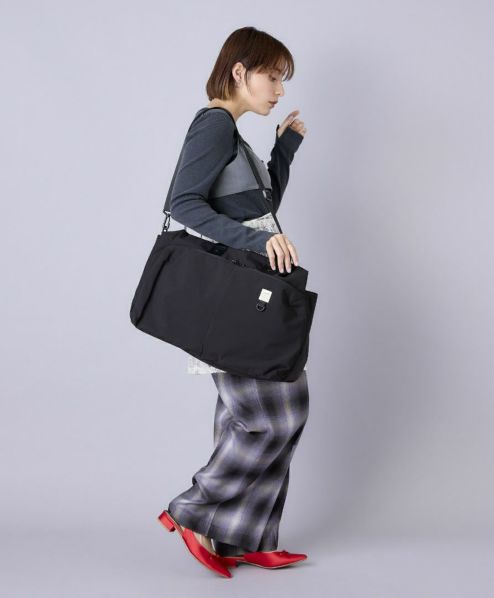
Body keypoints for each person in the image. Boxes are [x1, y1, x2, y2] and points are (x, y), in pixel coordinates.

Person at [157, 26, 310, 577]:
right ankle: (192, 511)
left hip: (257, 288)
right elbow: (183, 203)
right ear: (240, 71)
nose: (280, 90)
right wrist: (256, 242)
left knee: (244, 416)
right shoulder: (214, 125)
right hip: (241, 293)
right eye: (273, 76)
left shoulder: (234, 135)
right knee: (276, 414)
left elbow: (259, 209)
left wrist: (282, 153)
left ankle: (245, 537)